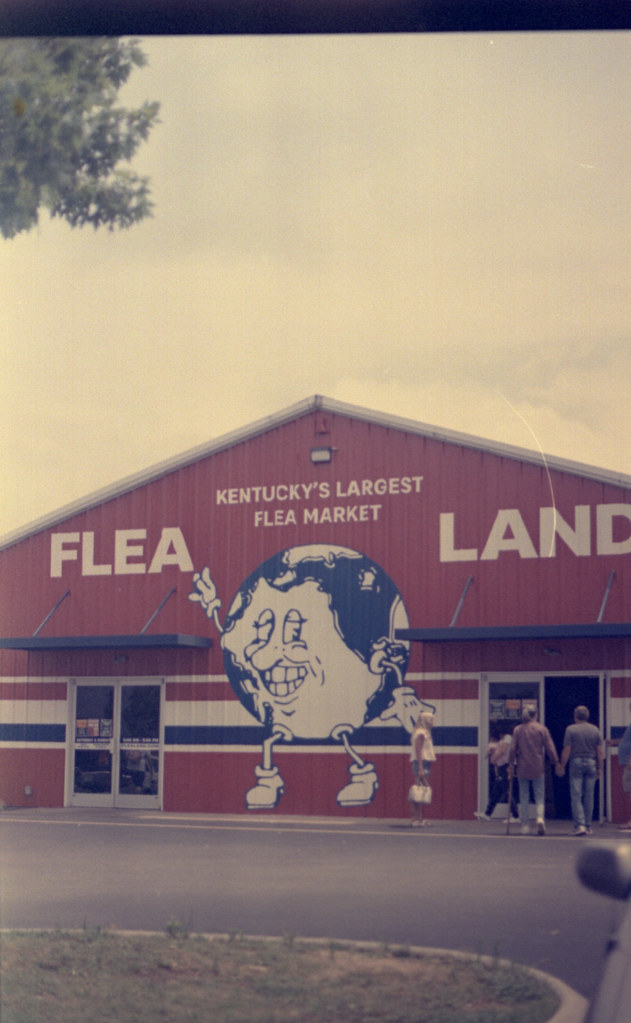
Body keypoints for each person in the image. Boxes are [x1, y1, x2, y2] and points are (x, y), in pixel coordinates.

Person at [509, 706, 560, 836]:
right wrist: (556, 762)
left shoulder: (518, 729)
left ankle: (525, 825)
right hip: (538, 766)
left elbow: (513, 748)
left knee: (524, 796)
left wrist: (510, 764)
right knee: (539, 795)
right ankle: (540, 817)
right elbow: (550, 748)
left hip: (522, 767)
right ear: (535, 715)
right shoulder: (542, 729)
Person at [558, 706, 603, 836]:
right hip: (591, 762)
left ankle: (580, 825)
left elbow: (567, 749)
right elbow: (600, 751)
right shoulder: (595, 730)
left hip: (576, 762)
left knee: (576, 795)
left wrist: (562, 766)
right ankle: (588, 826)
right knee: (589, 795)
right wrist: (600, 768)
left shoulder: (570, 729)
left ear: (575, 716)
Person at [475, 723, 518, 821]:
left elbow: (503, 751)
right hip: (501, 766)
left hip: (507, 766)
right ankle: (487, 813)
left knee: (507, 791)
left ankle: (515, 815)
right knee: (496, 791)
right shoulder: (504, 739)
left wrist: (494, 759)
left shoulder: (507, 737)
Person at [606, 700, 631, 831]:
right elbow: (627, 740)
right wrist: (614, 742)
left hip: (629, 763)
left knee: (630, 791)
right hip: (626, 761)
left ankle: (630, 821)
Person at [409, 710, 436, 827]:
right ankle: (415, 819)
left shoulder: (424, 732)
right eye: (431, 720)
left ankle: (419, 819)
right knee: (418, 792)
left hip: (424, 763)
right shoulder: (421, 733)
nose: (433, 722)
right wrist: (420, 767)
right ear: (425, 720)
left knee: (421, 792)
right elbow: (418, 750)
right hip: (422, 763)